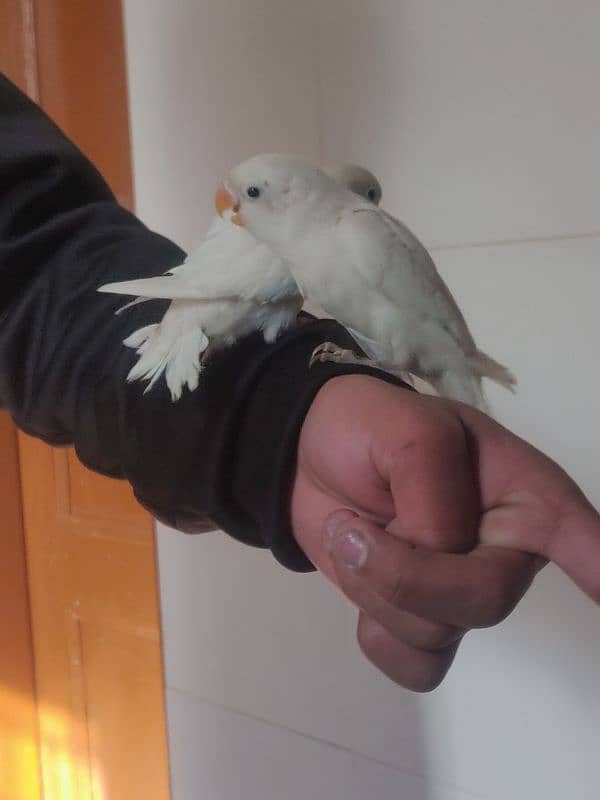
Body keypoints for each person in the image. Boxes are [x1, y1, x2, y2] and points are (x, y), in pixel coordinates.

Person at [1, 73, 598, 692]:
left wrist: (285, 409)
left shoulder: (356, 236)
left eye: (252, 193)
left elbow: (32, 263)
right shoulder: (295, 245)